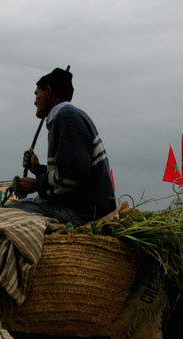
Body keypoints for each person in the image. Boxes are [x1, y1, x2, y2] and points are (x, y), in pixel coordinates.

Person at [13, 68, 117, 225]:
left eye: (37, 94)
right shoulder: (66, 117)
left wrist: (36, 184)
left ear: (48, 92)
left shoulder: (66, 116)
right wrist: (38, 169)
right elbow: (69, 172)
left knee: (4, 214)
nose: (35, 101)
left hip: (84, 212)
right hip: (78, 207)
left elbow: (71, 177)